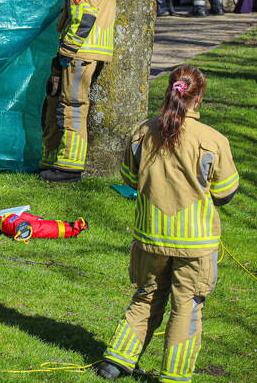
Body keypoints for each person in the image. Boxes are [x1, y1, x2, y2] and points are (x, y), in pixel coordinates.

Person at [95, 65, 238, 382]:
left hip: (150, 238)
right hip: (196, 245)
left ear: (169, 91)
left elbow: (130, 179)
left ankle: (115, 362)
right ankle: (174, 375)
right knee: (186, 307)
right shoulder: (213, 140)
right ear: (198, 96)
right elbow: (226, 193)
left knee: (146, 297)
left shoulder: (142, 133)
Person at [39, 0, 116, 182]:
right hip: (96, 50)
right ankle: (53, 160)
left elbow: (85, 16)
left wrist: (68, 49)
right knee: (64, 103)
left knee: (72, 106)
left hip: (80, 52)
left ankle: (69, 166)